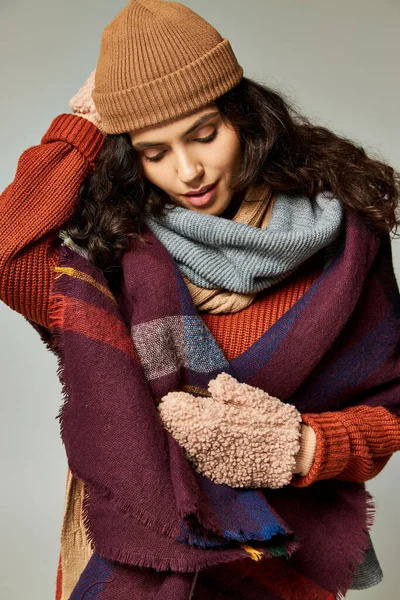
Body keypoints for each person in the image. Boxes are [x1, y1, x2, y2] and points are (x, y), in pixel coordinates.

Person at [1, 1, 400, 598]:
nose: (188, 171)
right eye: (153, 152)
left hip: (279, 558)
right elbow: (9, 255)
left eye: (205, 134)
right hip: (132, 550)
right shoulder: (117, 251)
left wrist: (303, 447)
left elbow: (391, 410)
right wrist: (81, 124)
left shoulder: (346, 244)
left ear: (245, 119)